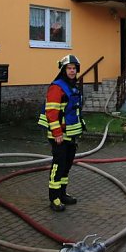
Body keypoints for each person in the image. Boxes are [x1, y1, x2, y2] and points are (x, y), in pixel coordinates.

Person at [38, 54, 85, 212]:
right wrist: (57, 133)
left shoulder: (72, 86)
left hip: (70, 135)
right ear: (63, 70)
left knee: (67, 165)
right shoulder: (57, 87)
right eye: (69, 68)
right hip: (58, 135)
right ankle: (54, 198)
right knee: (58, 165)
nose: (72, 71)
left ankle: (63, 194)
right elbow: (51, 111)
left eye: (74, 69)